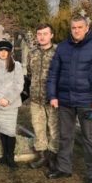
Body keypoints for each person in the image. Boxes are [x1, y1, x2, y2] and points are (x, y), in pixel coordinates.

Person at [46, 15, 92, 183]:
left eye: (79, 27)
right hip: (65, 101)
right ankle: (64, 168)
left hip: (88, 102)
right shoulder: (62, 47)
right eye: (73, 27)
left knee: (90, 139)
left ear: (86, 28)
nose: (76, 30)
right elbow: (53, 73)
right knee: (65, 136)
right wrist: (53, 96)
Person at [0, 40, 24, 170]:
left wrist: (7, 99)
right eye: (1, 50)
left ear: (9, 52)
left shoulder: (16, 65)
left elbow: (19, 84)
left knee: (10, 131)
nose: (3, 53)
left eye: (5, 50)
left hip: (11, 104)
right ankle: (4, 156)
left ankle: (10, 158)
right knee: (2, 130)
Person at [27, 24, 59, 170]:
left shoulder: (58, 52)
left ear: (51, 35)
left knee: (54, 129)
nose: (41, 36)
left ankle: (53, 158)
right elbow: (29, 73)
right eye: (39, 33)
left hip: (53, 99)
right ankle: (42, 157)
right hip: (35, 98)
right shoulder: (32, 53)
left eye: (45, 33)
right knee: (38, 128)